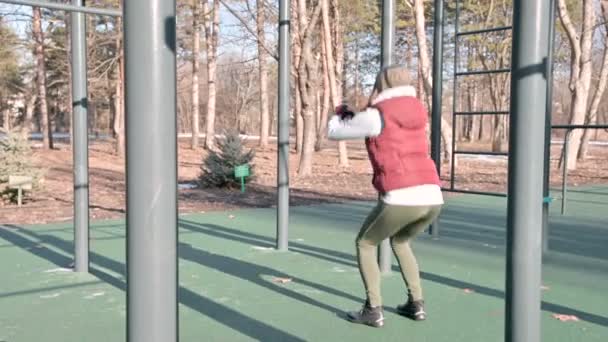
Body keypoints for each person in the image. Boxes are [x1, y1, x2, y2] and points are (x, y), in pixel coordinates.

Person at [327, 64, 443, 328]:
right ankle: (416, 303)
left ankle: (373, 309)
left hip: (402, 195)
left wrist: (340, 115)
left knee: (365, 243)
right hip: (433, 195)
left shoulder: (378, 114)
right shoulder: (418, 111)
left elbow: (334, 132)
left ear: (381, 85)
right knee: (401, 242)